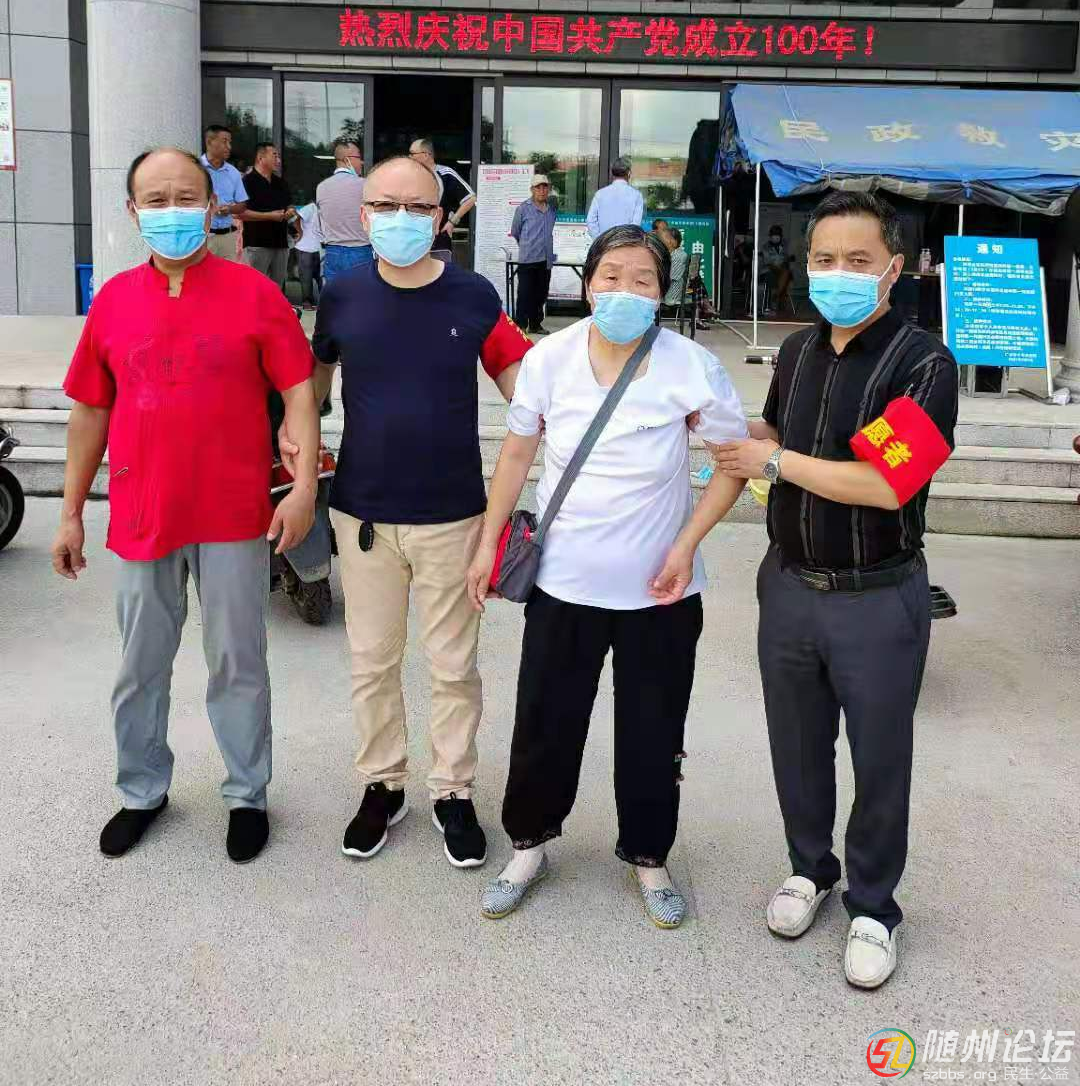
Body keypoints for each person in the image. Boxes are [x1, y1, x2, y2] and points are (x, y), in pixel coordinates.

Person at [466, 225, 750, 929]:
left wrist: (687, 543)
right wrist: (486, 544)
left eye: (643, 279)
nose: (625, 290)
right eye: (611, 276)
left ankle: (649, 855)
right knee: (545, 722)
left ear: (662, 292)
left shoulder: (691, 366)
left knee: (654, 727)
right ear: (588, 284)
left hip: (661, 592)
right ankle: (528, 846)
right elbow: (516, 456)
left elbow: (733, 463)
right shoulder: (549, 359)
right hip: (563, 585)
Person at [709, 190, 958, 989]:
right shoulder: (797, 352)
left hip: (876, 595)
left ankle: (875, 906)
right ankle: (809, 868)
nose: (838, 273)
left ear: (893, 268)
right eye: (824, 259)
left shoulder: (922, 363)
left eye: (858, 260)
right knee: (797, 741)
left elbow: (888, 482)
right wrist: (726, 428)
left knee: (880, 755)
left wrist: (774, 462)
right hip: (788, 585)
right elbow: (784, 437)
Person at [51, 148, 320, 865]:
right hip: (144, 512)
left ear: (212, 207)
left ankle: (246, 793)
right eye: (155, 199)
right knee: (140, 663)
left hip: (232, 511)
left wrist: (302, 486)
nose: (171, 211)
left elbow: (298, 390)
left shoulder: (253, 293)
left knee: (238, 660)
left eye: (185, 197)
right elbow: (89, 412)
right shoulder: (113, 301)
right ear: (133, 211)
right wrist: (71, 512)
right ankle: (141, 790)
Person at [301, 155, 533, 871]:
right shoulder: (342, 295)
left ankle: (453, 790)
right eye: (385, 206)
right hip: (364, 515)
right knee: (372, 661)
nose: (399, 219)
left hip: (453, 515)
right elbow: (311, 387)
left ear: (439, 218)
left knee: (453, 666)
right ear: (363, 214)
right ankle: (383, 783)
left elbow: (527, 388)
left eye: (417, 208)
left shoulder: (473, 295)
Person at [409, 137, 476, 262]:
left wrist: (452, 222)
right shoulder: (409, 176)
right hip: (413, 240)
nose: (410, 157)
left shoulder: (446, 173)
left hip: (439, 241)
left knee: (441, 272)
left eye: (412, 153)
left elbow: (471, 198)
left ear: (426, 155)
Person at [241, 143, 296, 288]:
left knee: (276, 289)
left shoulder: (280, 182)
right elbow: (241, 213)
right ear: (260, 158)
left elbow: (289, 204)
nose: (278, 160)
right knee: (255, 287)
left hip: (281, 243)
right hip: (257, 244)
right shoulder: (247, 182)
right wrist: (269, 216)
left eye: (279, 156)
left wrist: (290, 211)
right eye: (274, 155)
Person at [509, 174, 557, 336]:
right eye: (538, 187)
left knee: (541, 294)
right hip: (528, 260)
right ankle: (521, 326)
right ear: (532, 189)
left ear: (548, 189)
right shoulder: (523, 209)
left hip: (546, 259)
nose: (542, 190)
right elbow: (515, 231)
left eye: (545, 187)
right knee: (524, 295)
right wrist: (527, 245)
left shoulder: (551, 209)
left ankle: (535, 324)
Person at [317, 139, 370, 282]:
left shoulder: (321, 187)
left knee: (335, 294)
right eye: (359, 157)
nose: (362, 162)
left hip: (332, 253)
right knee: (361, 294)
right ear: (347, 159)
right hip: (360, 251)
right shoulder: (365, 185)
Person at [201, 126, 247, 259]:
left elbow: (243, 205)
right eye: (224, 141)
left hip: (228, 237)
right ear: (209, 142)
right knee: (202, 272)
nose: (229, 147)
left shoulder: (233, 172)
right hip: (202, 236)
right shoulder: (195, 168)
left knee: (228, 272)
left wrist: (230, 209)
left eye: (230, 142)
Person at [586, 157, 644, 238]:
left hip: (605, 242)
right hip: (625, 242)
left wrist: (599, 239)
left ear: (612, 173)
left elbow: (590, 220)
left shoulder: (600, 194)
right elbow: (635, 225)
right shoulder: (636, 195)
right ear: (629, 173)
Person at [293, 199, 323, 308]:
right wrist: (300, 232)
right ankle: (307, 303)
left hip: (319, 248)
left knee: (321, 277)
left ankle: (324, 303)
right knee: (306, 278)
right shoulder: (311, 207)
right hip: (305, 247)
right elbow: (296, 218)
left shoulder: (325, 209)